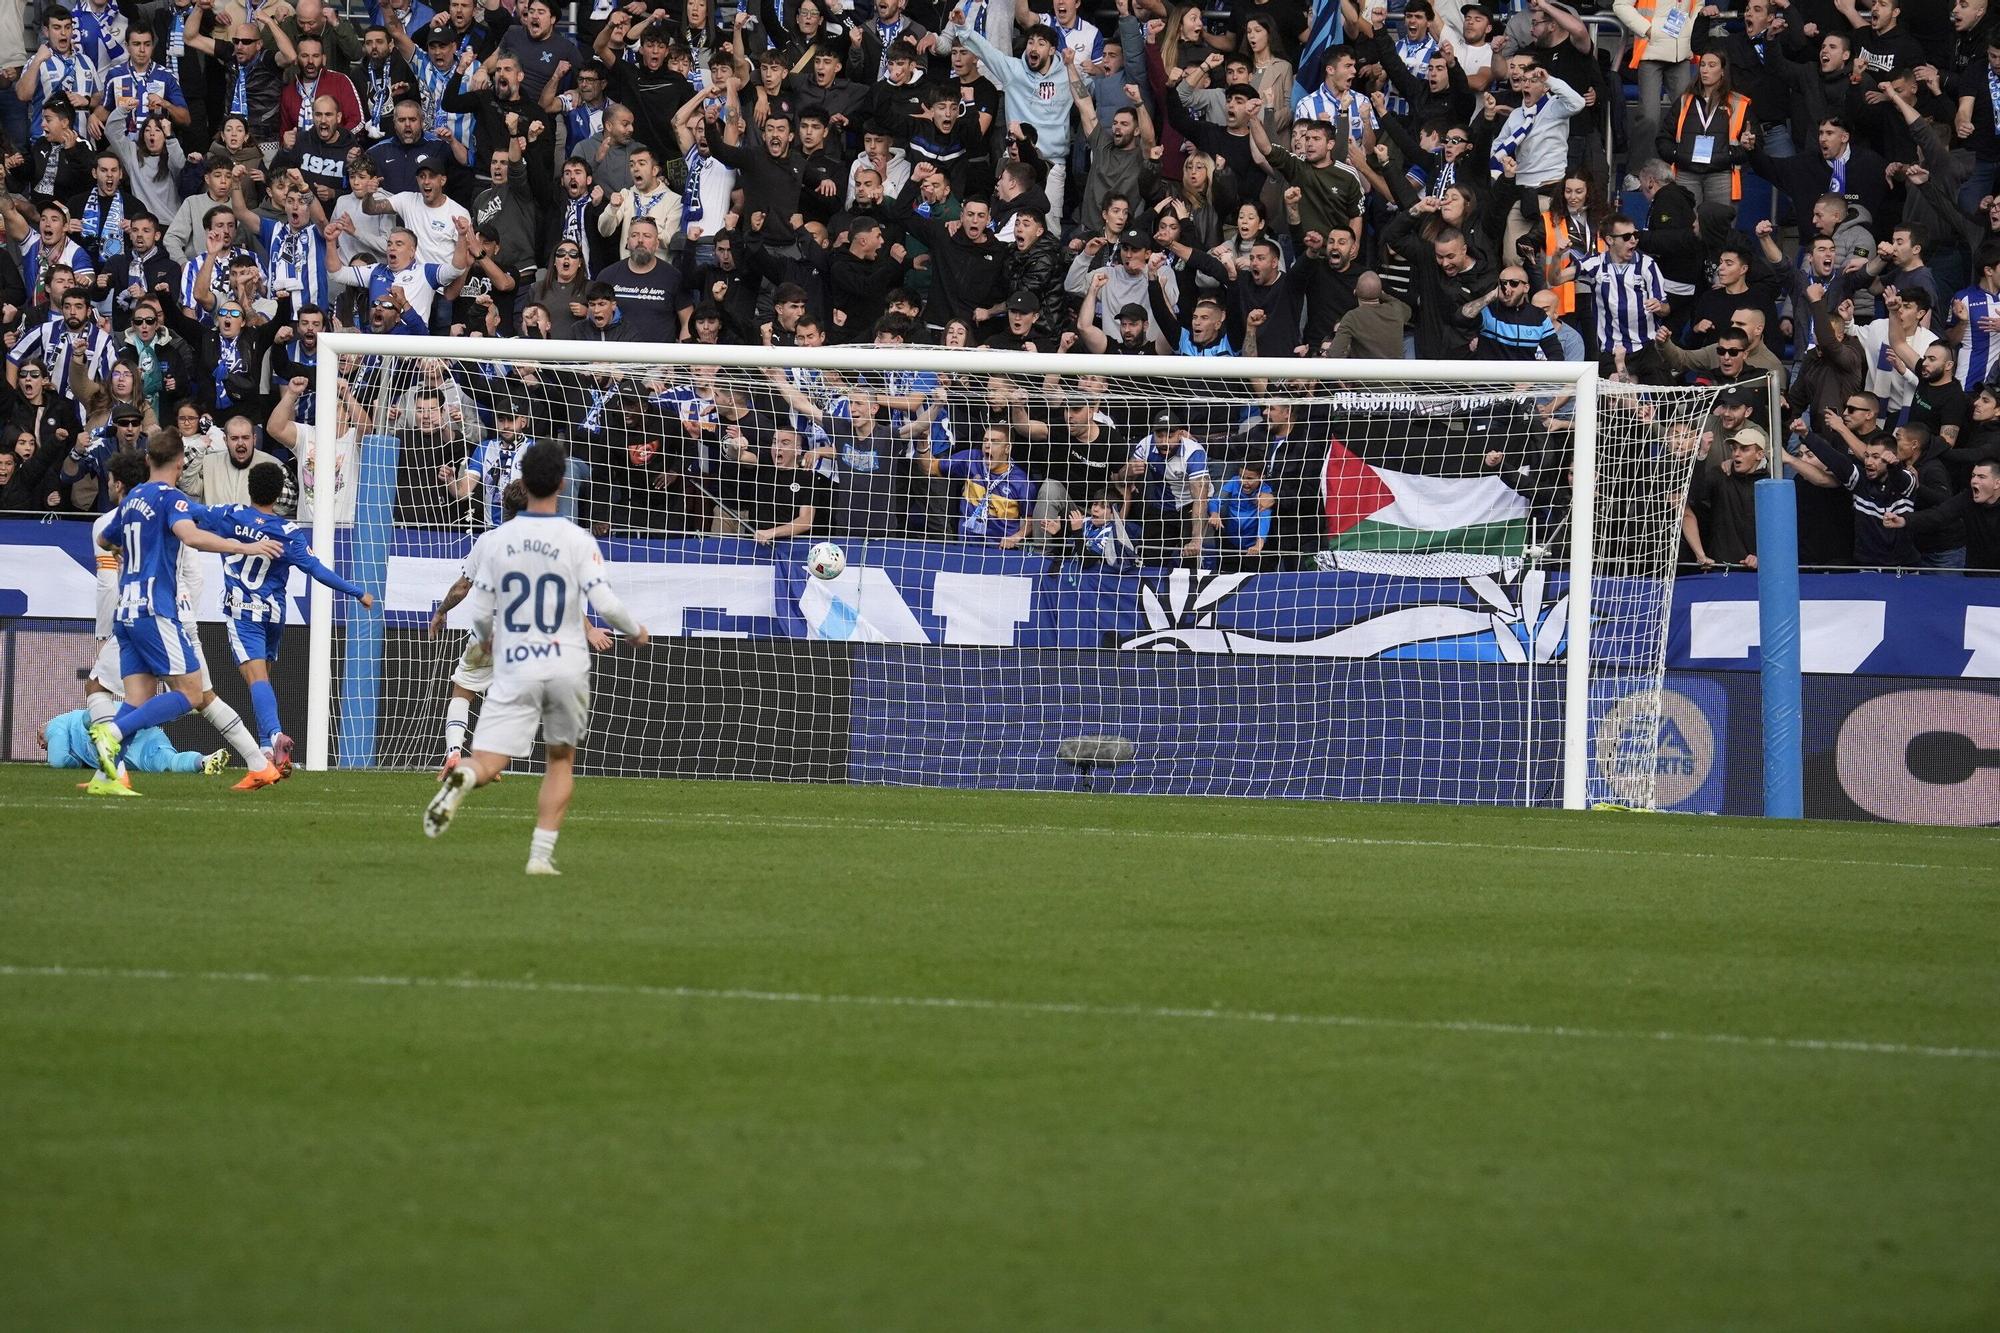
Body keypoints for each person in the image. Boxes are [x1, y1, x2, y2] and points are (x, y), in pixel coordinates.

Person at [423, 441, 650, 875]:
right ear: (563, 484)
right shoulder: (577, 539)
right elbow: (603, 601)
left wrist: (486, 638)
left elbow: (480, 602)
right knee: (560, 760)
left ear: (523, 481)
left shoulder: (494, 542)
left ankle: (465, 773)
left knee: (489, 759)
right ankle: (540, 857)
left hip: (514, 657)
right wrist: (634, 631)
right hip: (563, 661)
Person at [83, 434, 287, 796]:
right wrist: (245, 545)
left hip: (126, 611)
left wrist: (131, 551)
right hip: (156, 611)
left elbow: (105, 540)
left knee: (137, 698)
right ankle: (110, 733)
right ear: (180, 462)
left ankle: (107, 776)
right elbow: (190, 536)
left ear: (149, 460)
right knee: (193, 694)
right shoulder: (171, 499)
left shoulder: (131, 500)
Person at [199, 460, 376, 771]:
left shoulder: (230, 515)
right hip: (273, 616)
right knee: (263, 680)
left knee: (257, 680)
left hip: (244, 613)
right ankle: (267, 747)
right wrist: (356, 591)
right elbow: (317, 570)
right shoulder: (288, 532)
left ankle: (275, 734)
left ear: (248, 488)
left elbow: (192, 514)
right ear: (280, 493)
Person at [42, 706, 228, 775]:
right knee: (170, 762)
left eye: (40, 741)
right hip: (142, 742)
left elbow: (59, 761)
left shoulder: (54, 725)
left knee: (90, 718)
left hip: (109, 729)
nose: (42, 745)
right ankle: (204, 761)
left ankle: (173, 706)